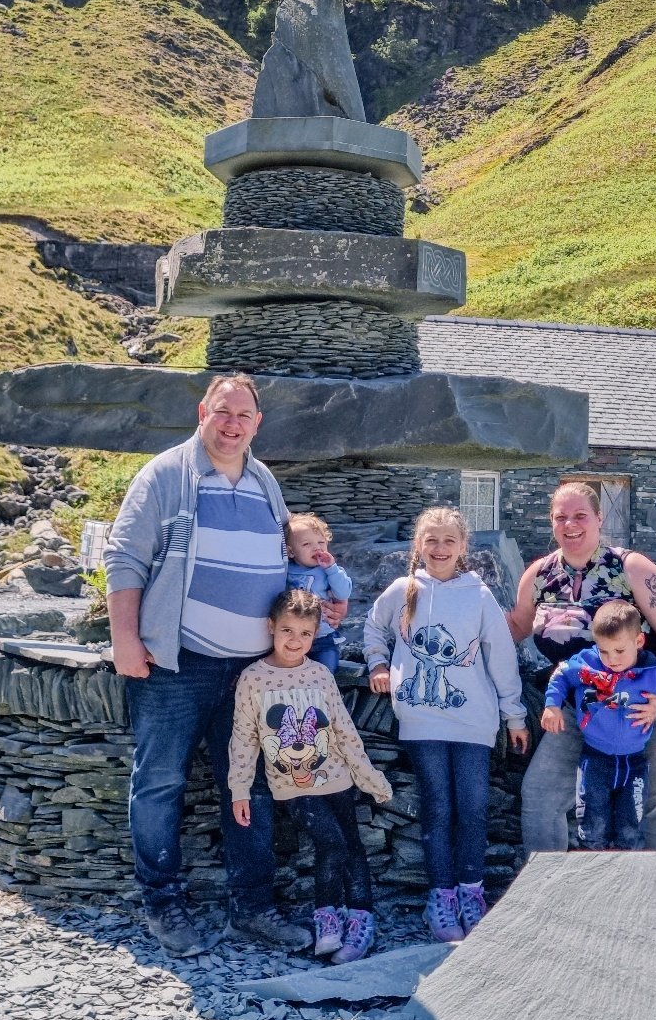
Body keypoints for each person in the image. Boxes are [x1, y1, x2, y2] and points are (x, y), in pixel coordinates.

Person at [103, 372, 314, 956]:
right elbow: (124, 556)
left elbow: (278, 561)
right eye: (223, 412)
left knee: (249, 783)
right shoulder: (166, 475)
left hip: (251, 668)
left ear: (257, 424)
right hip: (178, 661)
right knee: (160, 780)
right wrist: (125, 637)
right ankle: (164, 905)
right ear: (203, 412)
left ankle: (253, 908)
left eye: (243, 416)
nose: (232, 424)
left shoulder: (264, 481)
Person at [365, 506, 529, 943]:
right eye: (431, 540)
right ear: (419, 544)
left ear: (463, 547)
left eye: (449, 540)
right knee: (437, 808)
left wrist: (514, 714)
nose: (439, 548)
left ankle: (471, 891)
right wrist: (379, 663)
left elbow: (502, 657)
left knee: (472, 809)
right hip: (421, 722)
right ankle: (441, 895)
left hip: (473, 722)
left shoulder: (478, 596)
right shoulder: (402, 590)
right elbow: (372, 627)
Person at [508, 480, 656, 853]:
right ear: (551, 522)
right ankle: (545, 896)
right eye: (561, 517)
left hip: (652, 708)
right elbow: (516, 626)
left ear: (599, 517)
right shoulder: (539, 575)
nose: (570, 525)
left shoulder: (632, 568)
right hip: (584, 706)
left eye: (580, 515)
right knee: (540, 795)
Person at [227, 589, 393, 963]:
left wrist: (370, 779)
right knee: (331, 844)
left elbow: (344, 731)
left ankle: (361, 920)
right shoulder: (253, 679)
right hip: (293, 786)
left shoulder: (319, 674)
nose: (295, 641)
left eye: (305, 633)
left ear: (315, 634)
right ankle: (329, 918)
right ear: (271, 627)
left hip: (339, 780)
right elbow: (244, 737)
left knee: (352, 845)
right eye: (287, 630)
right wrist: (239, 788)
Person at [541, 601, 656, 849]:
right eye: (603, 651)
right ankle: (594, 876)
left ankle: (626, 879)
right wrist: (552, 705)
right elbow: (560, 676)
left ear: (639, 642)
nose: (611, 659)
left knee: (630, 827)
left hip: (634, 764)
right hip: (594, 760)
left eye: (620, 651)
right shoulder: (586, 664)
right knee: (593, 825)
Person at [282, 513, 354, 675]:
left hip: (322, 636)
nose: (317, 548)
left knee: (325, 673)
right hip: (292, 637)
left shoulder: (330, 571)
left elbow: (343, 592)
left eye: (321, 542)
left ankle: (324, 697)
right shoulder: (286, 571)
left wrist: (331, 568)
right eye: (306, 544)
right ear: (291, 552)